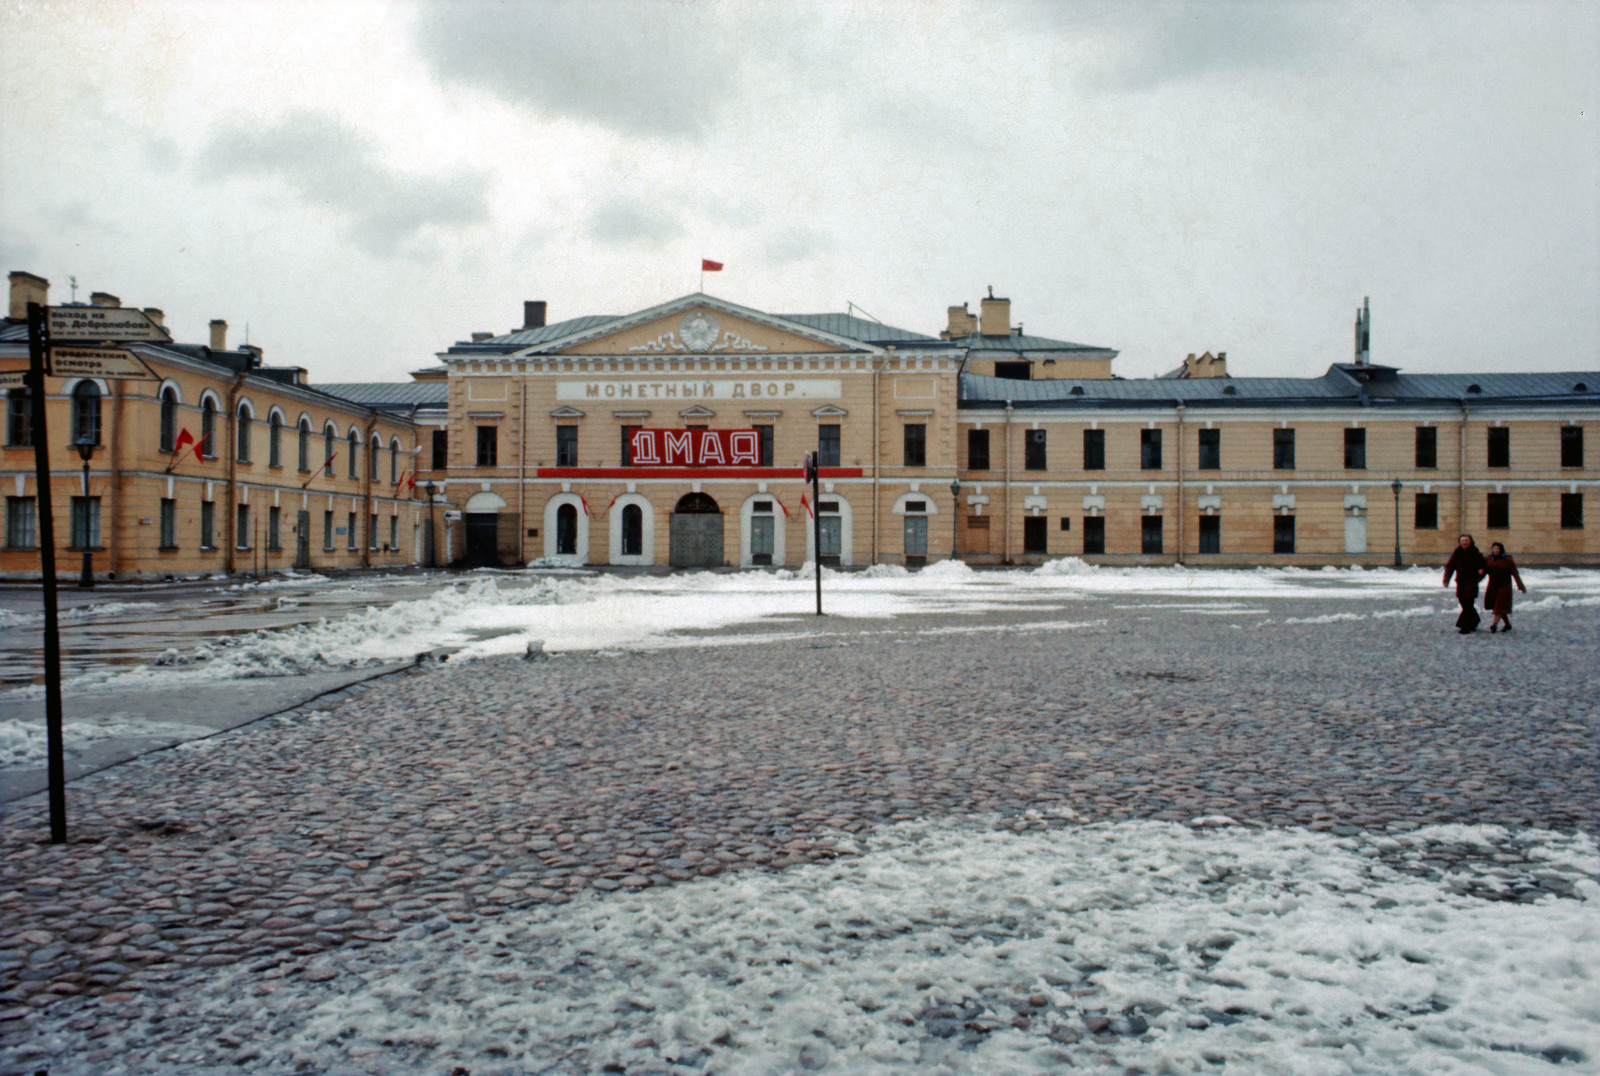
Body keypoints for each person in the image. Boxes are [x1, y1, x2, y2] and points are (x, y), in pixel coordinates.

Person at [1442, 534, 1486, 634]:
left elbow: (1484, 567)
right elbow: (1450, 567)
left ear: (1470, 541)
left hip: (1472, 583)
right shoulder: (1457, 553)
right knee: (1464, 604)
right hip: (1460, 583)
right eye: (1462, 541)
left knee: (1468, 604)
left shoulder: (1476, 553)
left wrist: (1479, 577)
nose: (1464, 542)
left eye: (1466, 540)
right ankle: (1474, 621)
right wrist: (1446, 580)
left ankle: (1465, 626)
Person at [1482, 541, 1527, 633]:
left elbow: (1515, 573)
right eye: (1494, 548)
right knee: (1499, 607)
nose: (1495, 550)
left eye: (1497, 549)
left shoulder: (1507, 560)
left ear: (1501, 550)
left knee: (1499, 607)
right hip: (1493, 586)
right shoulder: (1488, 559)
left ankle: (1494, 625)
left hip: (1504, 587)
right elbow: (1483, 572)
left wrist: (1521, 586)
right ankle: (1507, 625)